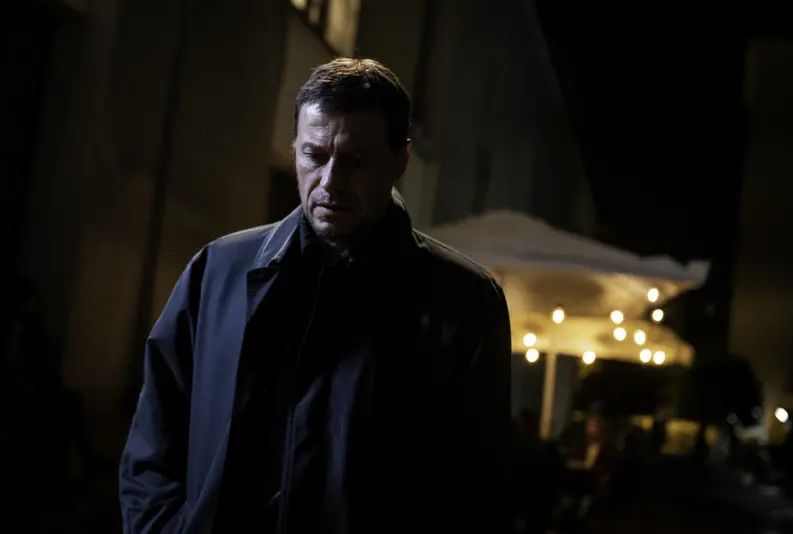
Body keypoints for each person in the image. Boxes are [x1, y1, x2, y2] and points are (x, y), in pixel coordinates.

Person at [119, 58, 511, 534]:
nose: (330, 183)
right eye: (314, 156)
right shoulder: (218, 272)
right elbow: (153, 443)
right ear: (294, 149)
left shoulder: (465, 303)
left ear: (401, 160)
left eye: (356, 161)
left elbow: (475, 493)